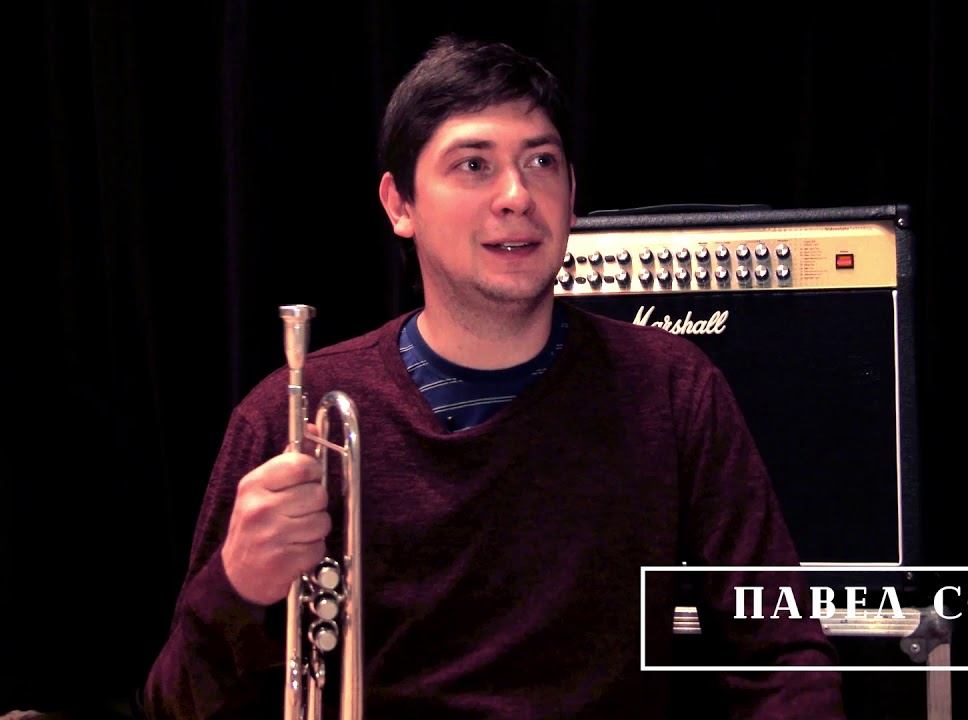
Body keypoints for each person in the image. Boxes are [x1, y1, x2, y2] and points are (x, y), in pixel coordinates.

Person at [142, 35, 844, 719]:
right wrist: (235, 585)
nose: (516, 195)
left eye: (541, 161)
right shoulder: (292, 419)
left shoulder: (671, 388)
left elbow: (781, 658)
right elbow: (172, 705)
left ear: (572, 195)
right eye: (473, 165)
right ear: (399, 205)